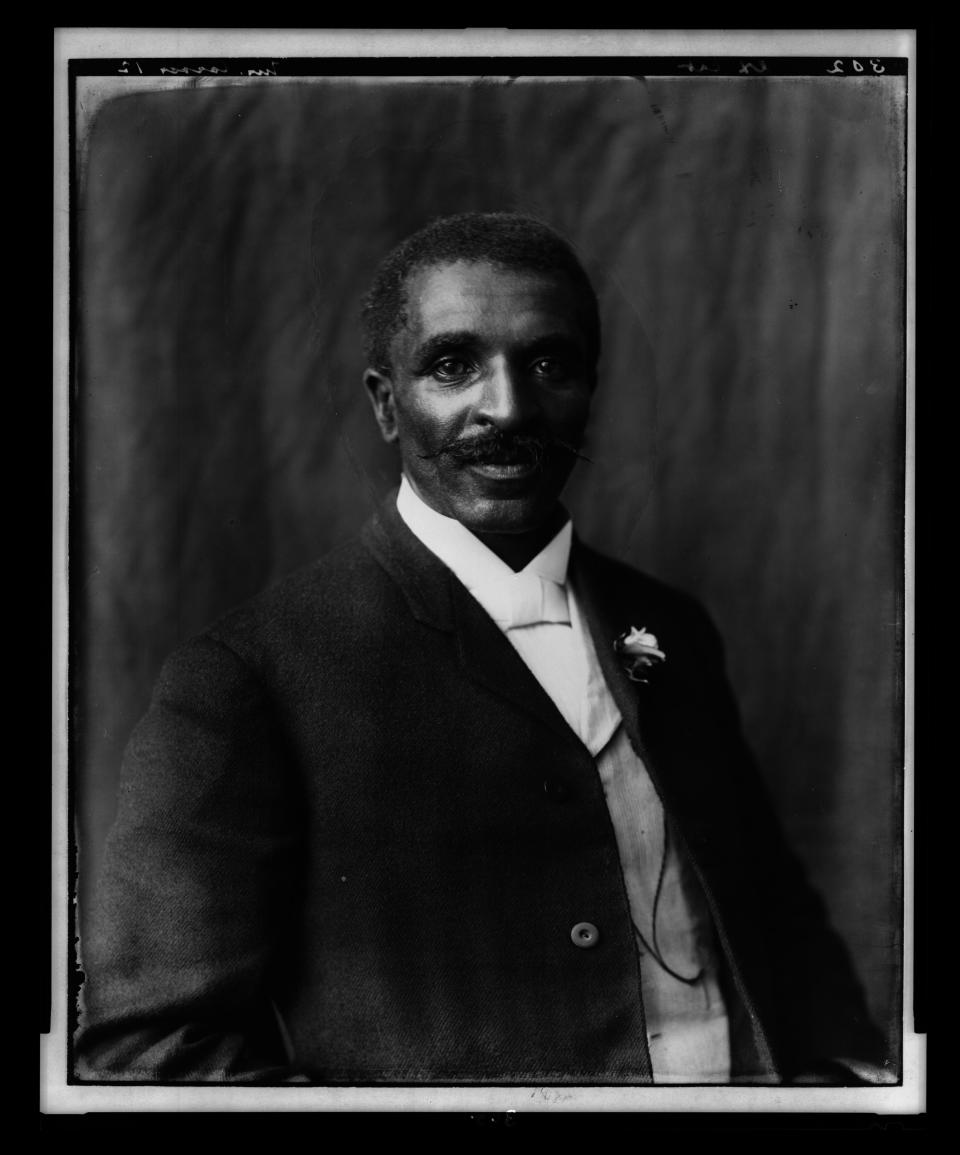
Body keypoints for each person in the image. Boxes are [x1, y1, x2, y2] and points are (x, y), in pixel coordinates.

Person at [76, 211, 885, 1085]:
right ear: (389, 403)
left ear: (590, 390)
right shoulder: (246, 679)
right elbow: (151, 1054)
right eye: (454, 364)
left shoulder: (670, 624)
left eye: (549, 363)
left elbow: (773, 913)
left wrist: (846, 1085)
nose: (508, 406)